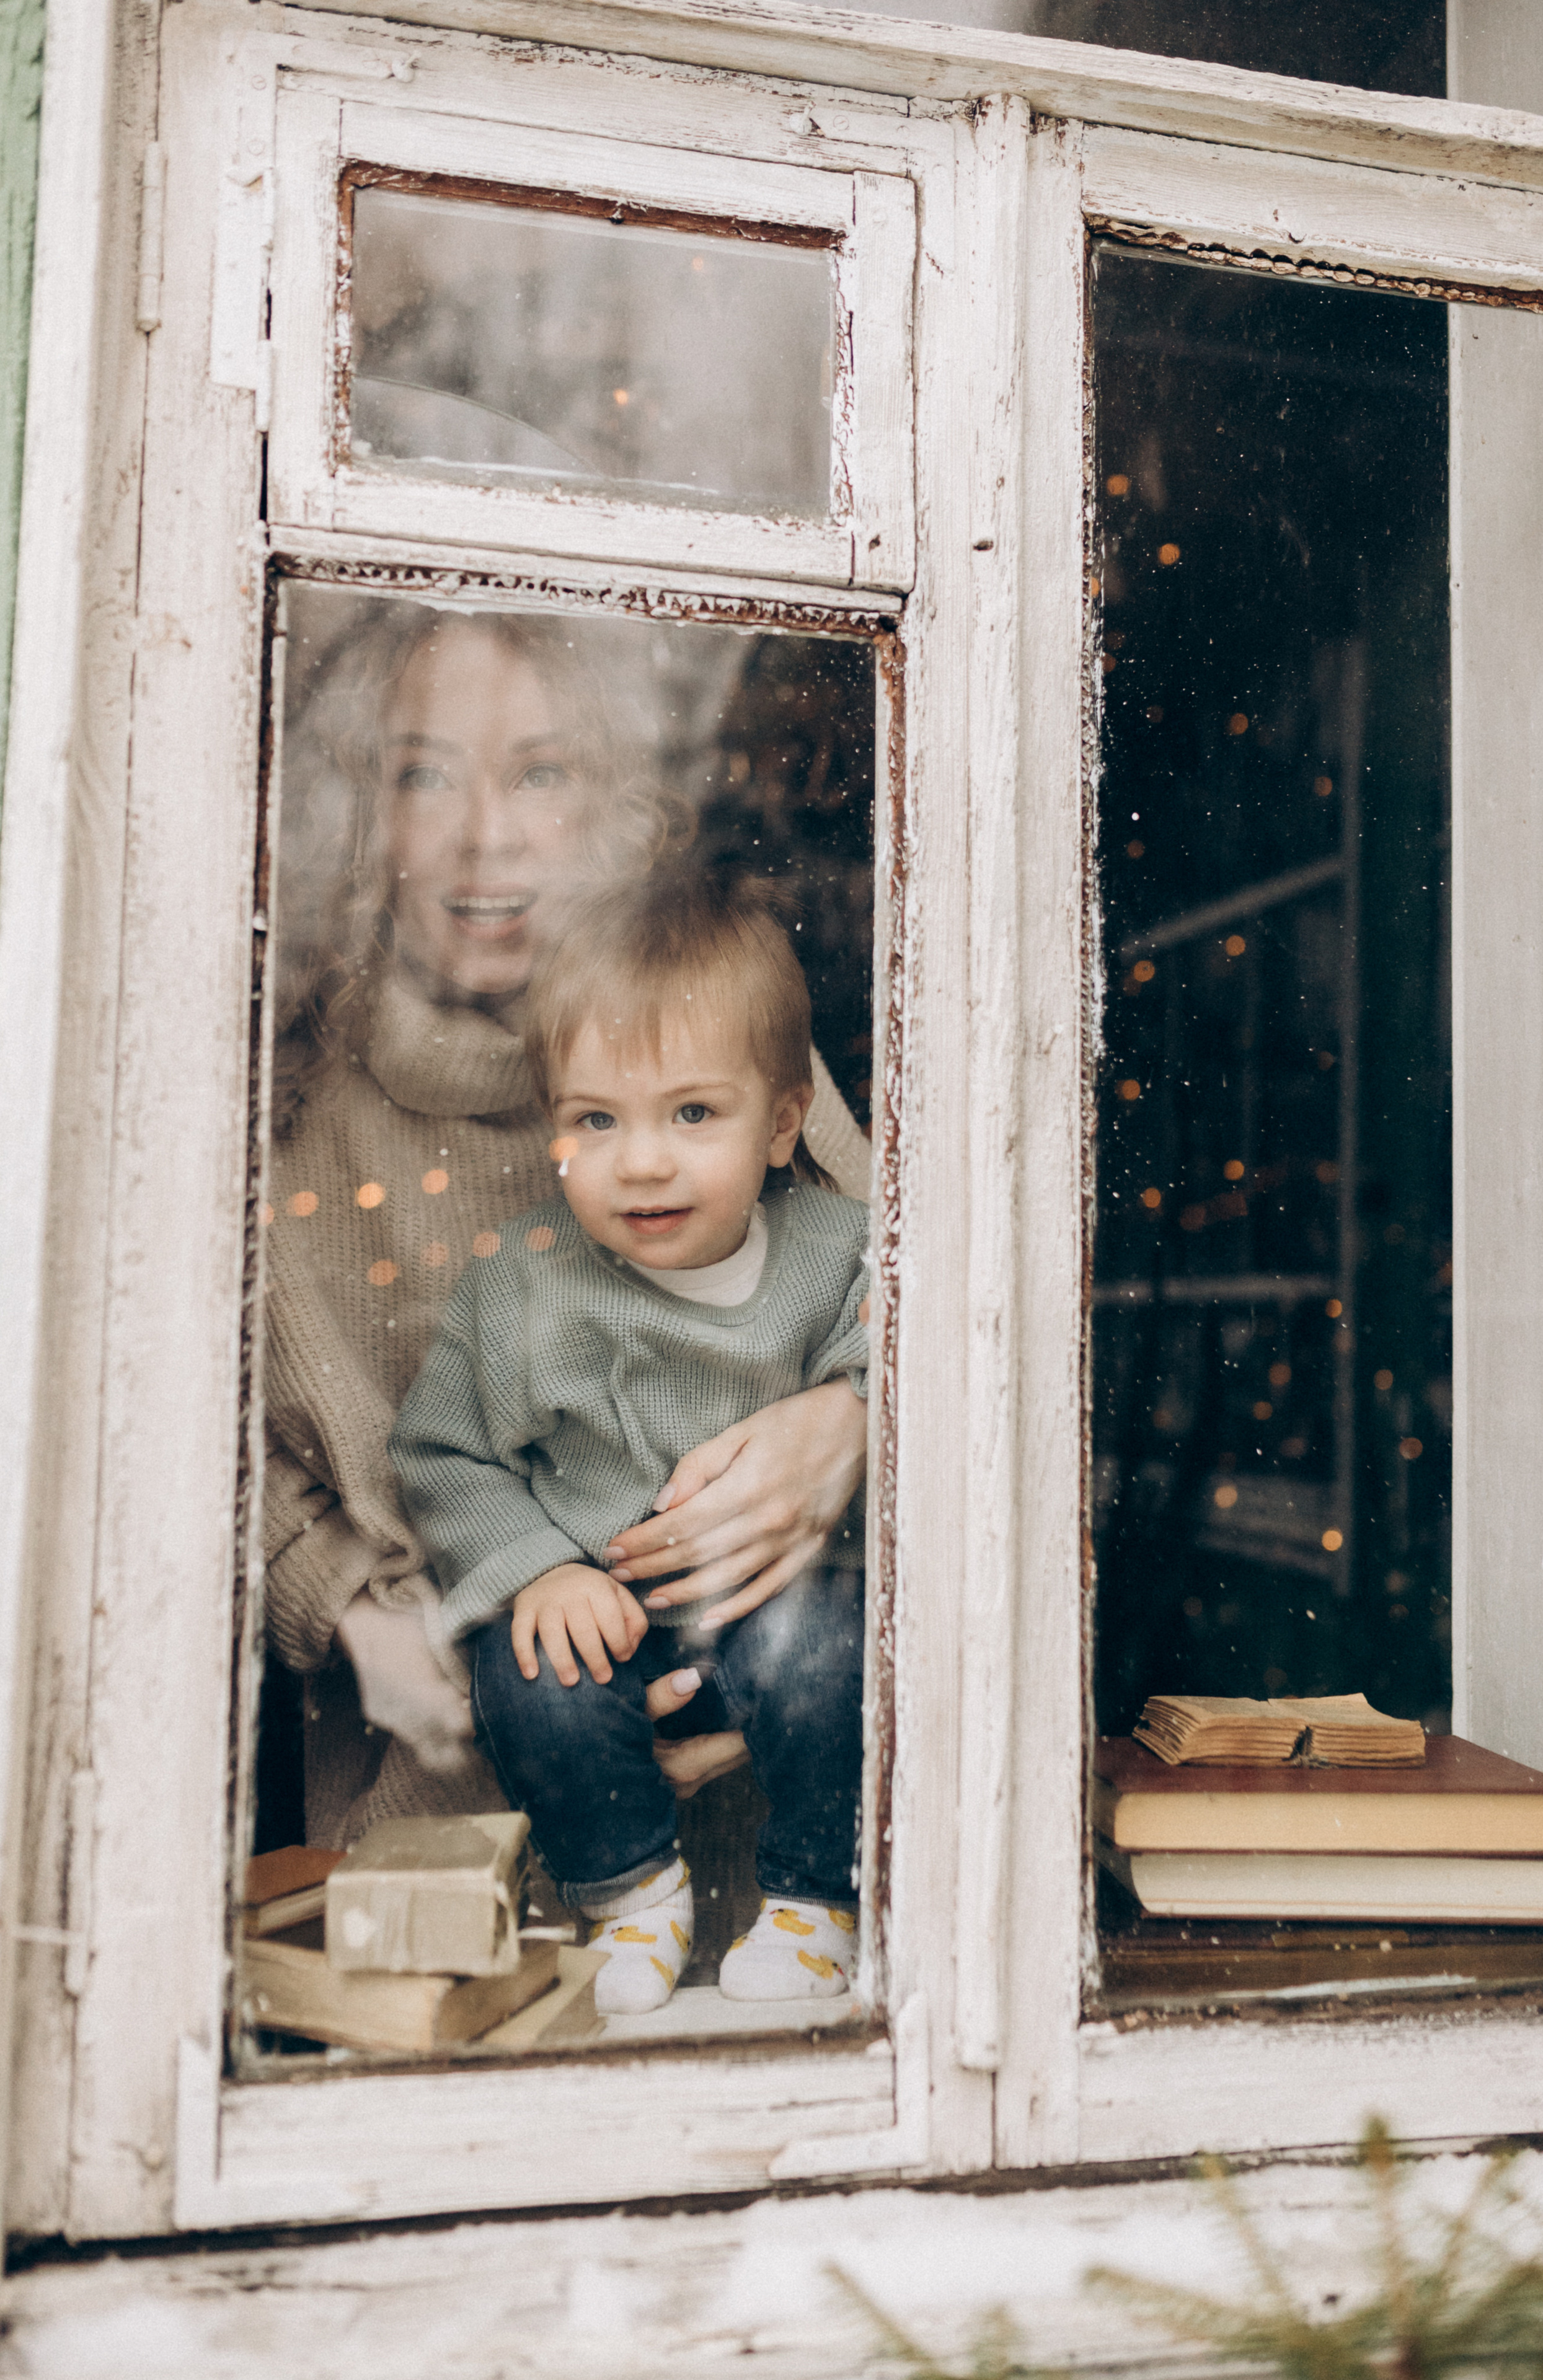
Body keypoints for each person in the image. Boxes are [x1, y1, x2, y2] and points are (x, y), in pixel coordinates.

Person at [264, 601, 872, 1848]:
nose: (486, 839)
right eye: (425, 774)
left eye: (539, 773)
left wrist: (849, 1426)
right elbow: (167, 1444)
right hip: (430, 1818)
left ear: (610, 811)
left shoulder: (725, 1045)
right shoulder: (278, 1098)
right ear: (361, 813)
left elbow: (925, 1304)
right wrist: (371, 1627)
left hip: (774, 1818)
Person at [390, 875, 867, 2013]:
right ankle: (631, 1897)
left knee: (836, 1654)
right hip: (600, 1605)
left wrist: (858, 1395)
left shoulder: (839, 1249)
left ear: (784, 1123)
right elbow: (443, 1456)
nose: (641, 1162)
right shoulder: (520, 1295)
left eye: (693, 1115)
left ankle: (814, 1903)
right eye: (597, 1119)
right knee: (531, 1675)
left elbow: (927, 1341)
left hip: (775, 1590)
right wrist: (538, 1568)